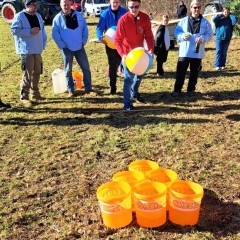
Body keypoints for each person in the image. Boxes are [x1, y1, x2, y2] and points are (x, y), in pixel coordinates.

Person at [115, 0, 154, 110]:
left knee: (140, 76)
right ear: (128, 7)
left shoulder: (145, 18)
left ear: (140, 6)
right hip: (128, 56)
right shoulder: (123, 20)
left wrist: (150, 49)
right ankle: (127, 104)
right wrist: (123, 55)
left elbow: (149, 36)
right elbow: (118, 40)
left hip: (141, 55)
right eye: (132, 7)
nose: (134, 9)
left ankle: (134, 93)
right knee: (128, 79)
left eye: (136, 7)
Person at [172, 0, 213, 98]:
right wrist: (182, 36)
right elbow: (176, 32)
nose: (197, 9)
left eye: (198, 7)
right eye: (195, 7)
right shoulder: (184, 21)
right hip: (184, 53)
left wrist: (202, 38)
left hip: (197, 52)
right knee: (180, 73)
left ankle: (191, 89)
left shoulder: (205, 22)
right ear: (190, 8)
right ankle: (177, 90)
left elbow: (209, 34)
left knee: (194, 73)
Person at [52, 0, 93, 97]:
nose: (66, 6)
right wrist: (62, 45)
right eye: (64, 5)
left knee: (86, 68)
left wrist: (83, 41)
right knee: (68, 70)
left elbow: (85, 29)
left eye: (67, 4)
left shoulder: (78, 15)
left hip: (80, 47)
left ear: (71, 4)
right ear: (60, 5)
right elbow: (55, 34)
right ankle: (71, 90)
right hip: (67, 49)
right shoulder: (57, 19)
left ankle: (88, 88)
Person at [10, 0, 47, 107]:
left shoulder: (38, 16)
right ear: (28, 5)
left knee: (38, 71)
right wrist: (29, 31)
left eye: (37, 4)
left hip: (37, 50)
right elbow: (14, 30)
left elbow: (43, 31)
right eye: (34, 5)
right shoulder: (20, 16)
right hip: (26, 50)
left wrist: (42, 44)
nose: (36, 7)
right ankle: (24, 95)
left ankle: (35, 93)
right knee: (28, 72)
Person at [96, 0, 128, 94]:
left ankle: (127, 89)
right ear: (110, 2)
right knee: (112, 66)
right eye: (113, 2)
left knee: (125, 64)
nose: (115, 4)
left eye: (117, 2)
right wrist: (100, 37)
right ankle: (113, 88)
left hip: (123, 43)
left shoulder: (125, 12)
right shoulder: (105, 14)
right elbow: (100, 28)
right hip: (110, 44)